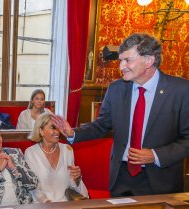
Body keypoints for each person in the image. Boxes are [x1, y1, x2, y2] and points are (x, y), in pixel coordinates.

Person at [52, 33, 189, 197]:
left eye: (128, 60)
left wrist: (155, 155)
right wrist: (73, 133)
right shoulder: (116, 88)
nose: (121, 66)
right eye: (120, 60)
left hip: (161, 180)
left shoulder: (181, 90)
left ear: (149, 61)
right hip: (121, 179)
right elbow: (101, 125)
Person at [24, 113, 88, 202]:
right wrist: (47, 203)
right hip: (41, 205)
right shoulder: (31, 153)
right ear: (41, 131)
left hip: (65, 204)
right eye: (53, 128)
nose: (57, 132)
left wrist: (76, 178)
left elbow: (72, 185)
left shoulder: (67, 150)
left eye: (58, 128)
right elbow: (32, 188)